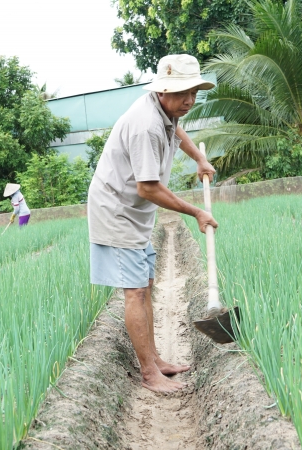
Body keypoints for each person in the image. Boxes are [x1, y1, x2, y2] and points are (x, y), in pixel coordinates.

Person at [88, 54, 219, 393]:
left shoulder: (166, 111)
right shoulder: (146, 124)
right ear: (162, 90)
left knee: (145, 284)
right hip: (117, 212)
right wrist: (197, 213)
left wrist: (200, 158)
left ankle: (156, 359)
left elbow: (177, 130)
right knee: (134, 291)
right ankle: (149, 373)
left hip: (135, 212)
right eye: (182, 92)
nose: (189, 99)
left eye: (194, 91)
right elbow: (147, 187)